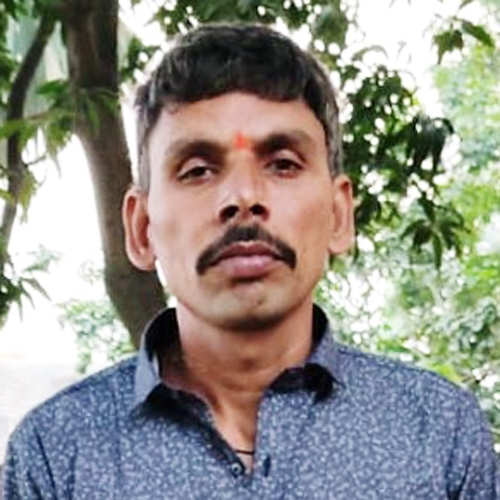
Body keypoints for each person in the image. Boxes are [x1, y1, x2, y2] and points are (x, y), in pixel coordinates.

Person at [2, 23, 498, 499]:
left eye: (283, 164)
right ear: (141, 226)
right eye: (198, 170)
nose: (243, 197)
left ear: (338, 214)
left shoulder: (439, 436)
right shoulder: (56, 457)